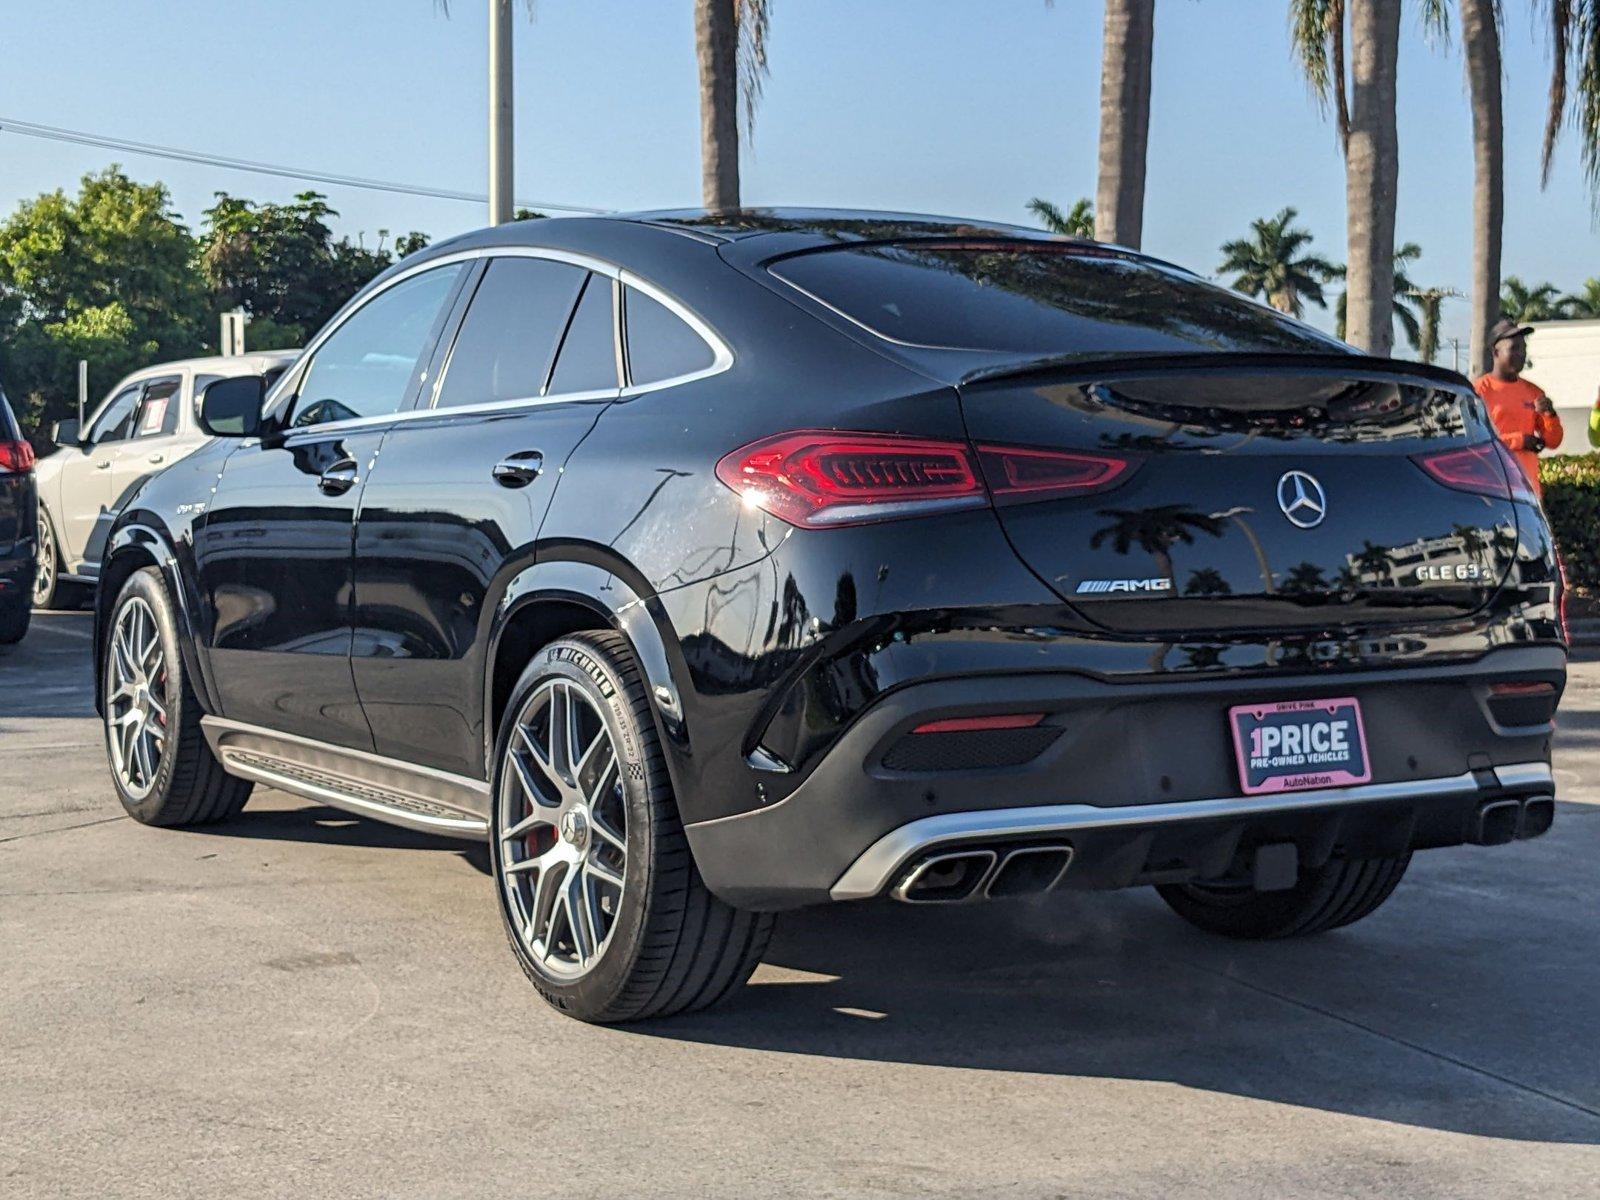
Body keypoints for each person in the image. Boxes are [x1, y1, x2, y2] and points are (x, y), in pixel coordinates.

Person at [1473, 318, 1563, 499]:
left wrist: (1550, 415)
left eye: (1523, 349)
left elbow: (1554, 441)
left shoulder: (1534, 391)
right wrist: (1519, 441)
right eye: (1514, 348)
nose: (1521, 354)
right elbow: (1475, 443)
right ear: (1496, 352)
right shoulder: (1478, 391)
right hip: (1493, 491)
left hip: (1528, 493)